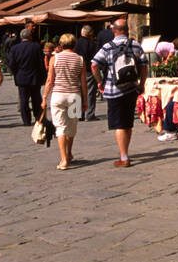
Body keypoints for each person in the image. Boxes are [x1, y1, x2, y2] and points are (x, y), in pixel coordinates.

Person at [90, 18, 147, 168]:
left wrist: (100, 82)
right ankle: (125, 152)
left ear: (114, 30)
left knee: (118, 124)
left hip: (114, 90)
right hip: (131, 88)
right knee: (127, 123)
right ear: (127, 30)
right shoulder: (135, 45)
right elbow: (144, 66)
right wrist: (142, 84)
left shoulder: (108, 46)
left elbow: (94, 65)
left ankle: (124, 156)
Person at [42, 33, 87, 168]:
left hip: (58, 95)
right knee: (72, 126)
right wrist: (85, 101)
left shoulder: (55, 58)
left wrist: (44, 97)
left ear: (60, 45)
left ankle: (64, 160)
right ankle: (69, 153)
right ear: (75, 44)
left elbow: (50, 80)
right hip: (74, 96)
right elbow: (83, 82)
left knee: (60, 127)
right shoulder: (80, 59)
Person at [8, 29, 46, 127]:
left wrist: (16, 73)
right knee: (36, 99)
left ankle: (26, 120)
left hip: (21, 78)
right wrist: (43, 77)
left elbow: (12, 64)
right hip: (35, 78)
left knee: (24, 100)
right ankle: (38, 118)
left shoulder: (15, 48)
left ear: (21, 37)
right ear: (30, 36)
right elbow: (41, 64)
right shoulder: (36, 47)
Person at [76, 25, 100, 121]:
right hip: (88, 71)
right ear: (90, 34)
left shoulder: (76, 42)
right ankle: (89, 114)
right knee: (90, 92)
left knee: (79, 91)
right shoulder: (92, 44)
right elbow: (94, 59)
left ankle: (79, 114)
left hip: (77, 69)